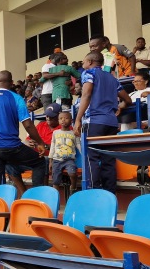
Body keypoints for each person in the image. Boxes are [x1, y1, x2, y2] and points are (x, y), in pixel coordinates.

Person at [0, 70, 46, 188]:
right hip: (9, 146)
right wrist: (40, 143)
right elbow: (27, 125)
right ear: (12, 83)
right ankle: (36, 199)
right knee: (39, 162)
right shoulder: (16, 98)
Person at [74, 51, 132, 193]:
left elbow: (86, 94)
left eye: (83, 62)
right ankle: (110, 194)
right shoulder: (112, 78)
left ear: (90, 62)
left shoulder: (89, 73)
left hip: (94, 120)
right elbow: (128, 100)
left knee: (91, 159)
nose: (83, 64)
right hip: (111, 123)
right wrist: (119, 107)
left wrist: (77, 119)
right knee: (108, 160)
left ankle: (94, 193)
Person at [49, 112, 81, 194]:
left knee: (72, 173)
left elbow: (78, 144)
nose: (63, 120)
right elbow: (52, 146)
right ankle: (55, 195)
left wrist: (83, 153)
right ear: (58, 121)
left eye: (66, 118)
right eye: (61, 118)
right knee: (55, 180)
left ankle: (73, 187)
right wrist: (50, 160)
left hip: (69, 160)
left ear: (71, 120)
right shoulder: (55, 133)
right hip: (57, 159)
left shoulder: (74, 133)